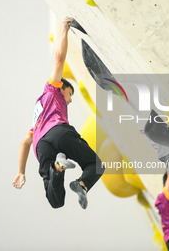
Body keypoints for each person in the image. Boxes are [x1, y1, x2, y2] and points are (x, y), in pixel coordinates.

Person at [12, 17, 104, 209]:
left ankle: (58, 168)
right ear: (61, 88)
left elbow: (24, 142)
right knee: (95, 165)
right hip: (59, 132)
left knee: (56, 201)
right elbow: (59, 58)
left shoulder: (37, 121)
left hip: (41, 144)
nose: (69, 100)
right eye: (69, 94)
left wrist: (21, 172)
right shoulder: (52, 89)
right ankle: (82, 183)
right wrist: (64, 30)